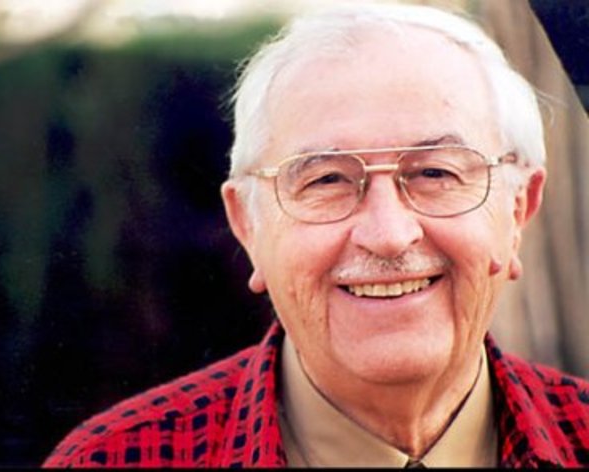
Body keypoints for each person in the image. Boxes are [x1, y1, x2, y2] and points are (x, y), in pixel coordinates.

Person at [43, 2, 589, 468]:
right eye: (327, 180)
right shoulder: (113, 459)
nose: (388, 235)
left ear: (518, 208)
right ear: (248, 224)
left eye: (435, 173)